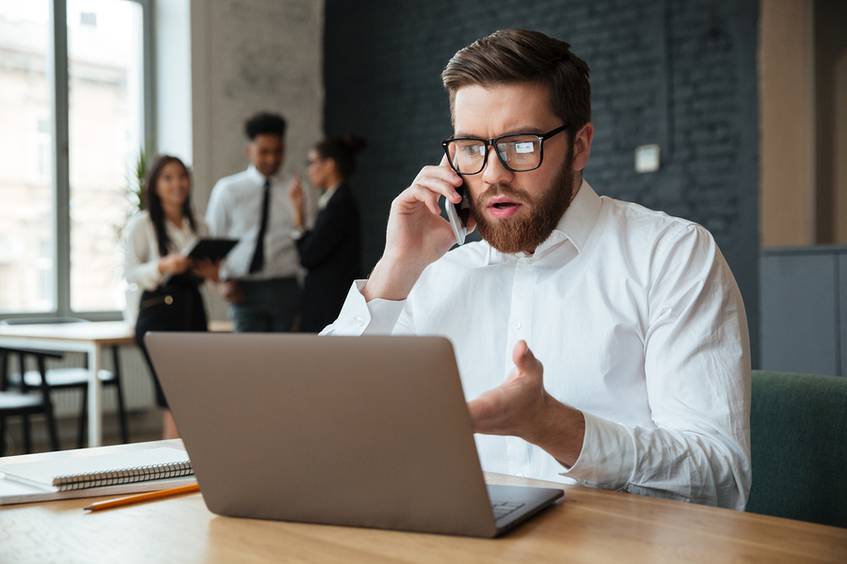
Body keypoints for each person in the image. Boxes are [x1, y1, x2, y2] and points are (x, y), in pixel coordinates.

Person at [323, 29, 752, 510]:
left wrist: (557, 428)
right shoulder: (434, 273)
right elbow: (322, 424)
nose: (492, 174)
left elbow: (720, 476)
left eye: (521, 145)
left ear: (580, 146)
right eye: (471, 148)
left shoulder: (671, 256)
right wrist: (395, 270)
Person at [124, 155, 218, 439]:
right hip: (158, 313)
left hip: (192, 311)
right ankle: (174, 471)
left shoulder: (200, 225)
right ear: (154, 185)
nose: (177, 184)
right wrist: (163, 266)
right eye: (168, 178)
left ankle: (191, 469)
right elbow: (130, 272)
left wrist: (210, 272)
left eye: (181, 176)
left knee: (193, 397)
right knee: (172, 398)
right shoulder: (142, 225)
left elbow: (213, 277)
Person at [206, 112, 310, 332]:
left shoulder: (297, 190)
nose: (272, 159)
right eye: (264, 152)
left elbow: (306, 239)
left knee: (285, 361)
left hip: (286, 288)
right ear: (249, 150)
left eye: (278, 152)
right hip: (243, 289)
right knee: (247, 363)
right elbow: (213, 241)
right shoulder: (228, 190)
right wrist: (220, 283)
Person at [288, 135, 364, 332]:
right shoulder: (336, 200)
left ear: (329, 165)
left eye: (311, 162)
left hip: (329, 303)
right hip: (328, 300)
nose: (309, 169)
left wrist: (298, 213)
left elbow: (308, 256)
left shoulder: (340, 203)